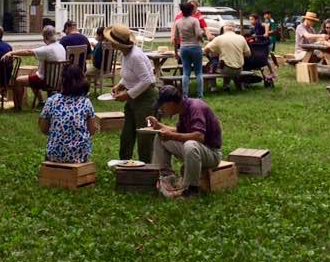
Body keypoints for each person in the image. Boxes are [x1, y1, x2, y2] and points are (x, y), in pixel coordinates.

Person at [147, 85, 223, 198]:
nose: (161, 110)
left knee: (190, 145)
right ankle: (166, 177)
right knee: (160, 136)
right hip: (197, 149)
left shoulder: (195, 107)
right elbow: (180, 131)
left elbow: (199, 136)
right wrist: (159, 126)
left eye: (162, 106)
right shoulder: (184, 108)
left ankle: (192, 189)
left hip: (211, 153)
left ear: (170, 104)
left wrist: (172, 135)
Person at [106, 23, 158, 163]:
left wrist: (127, 94)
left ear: (118, 43)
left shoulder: (135, 56)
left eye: (111, 41)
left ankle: (146, 168)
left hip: (146, 98)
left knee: (144, 136)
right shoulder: (125, 54)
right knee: (127, 135)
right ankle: (124, 164)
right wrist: (120, 85)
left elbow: (147, 80)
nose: (109, 43)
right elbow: (130, 73)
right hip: (133, 97)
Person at [39, 64, 97, 163]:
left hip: (55, 154)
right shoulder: (85, 102)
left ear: (62, 81)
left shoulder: (52, 101)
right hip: (79, 155)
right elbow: (91, 131)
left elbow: (44, 129)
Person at [9, 26, 65, 110]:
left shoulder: (47, 49)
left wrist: (11, 52)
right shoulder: (61, 47)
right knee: (33, 76)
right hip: (59, 81)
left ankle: (17, 107)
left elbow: (28, 51)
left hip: (46, 82)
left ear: (45, 37)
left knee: (18, 81)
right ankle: (41, 102)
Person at [171, 1, 207, 99]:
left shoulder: (178, 22)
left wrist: (175, 52)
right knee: (198, 72)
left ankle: (185, 95)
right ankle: (200, 95)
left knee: (186, 72)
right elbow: (198, 34)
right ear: (191, 10)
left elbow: (175, 39)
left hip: (184, 48)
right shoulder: (194, 20)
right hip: (195, 47)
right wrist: (202, 38)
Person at [203, 21, 250, 89]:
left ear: (224, 28)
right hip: (239, 69)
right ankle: (226, 85)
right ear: (234, 29)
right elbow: (248, 54)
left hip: (226, 69)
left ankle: (213, 87)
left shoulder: (219, 38)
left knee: (211, 65)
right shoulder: (241, 38)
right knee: (226, 61)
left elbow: (206, 49)